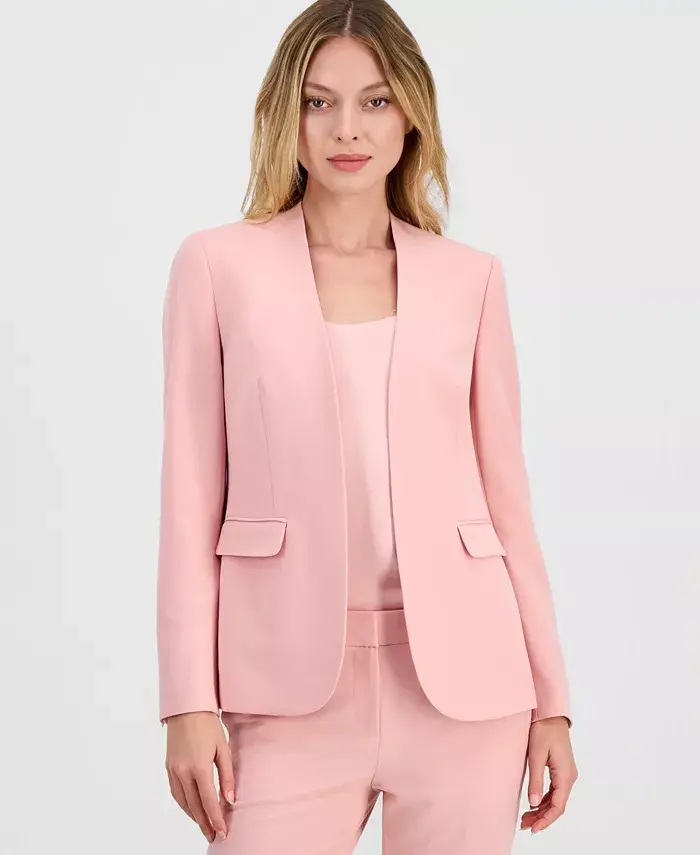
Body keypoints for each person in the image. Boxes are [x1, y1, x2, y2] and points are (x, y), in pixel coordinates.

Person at [156, 0, 578, 852]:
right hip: (283, 687)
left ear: (411, 114)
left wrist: (553, 702)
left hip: (467, 686)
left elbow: (508, 505)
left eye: (376, 100)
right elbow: (189, 496)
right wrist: (186, 700)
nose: (347, 127)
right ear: (286, 115)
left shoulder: (470, 280)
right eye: (319, 102)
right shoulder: (217, 266)